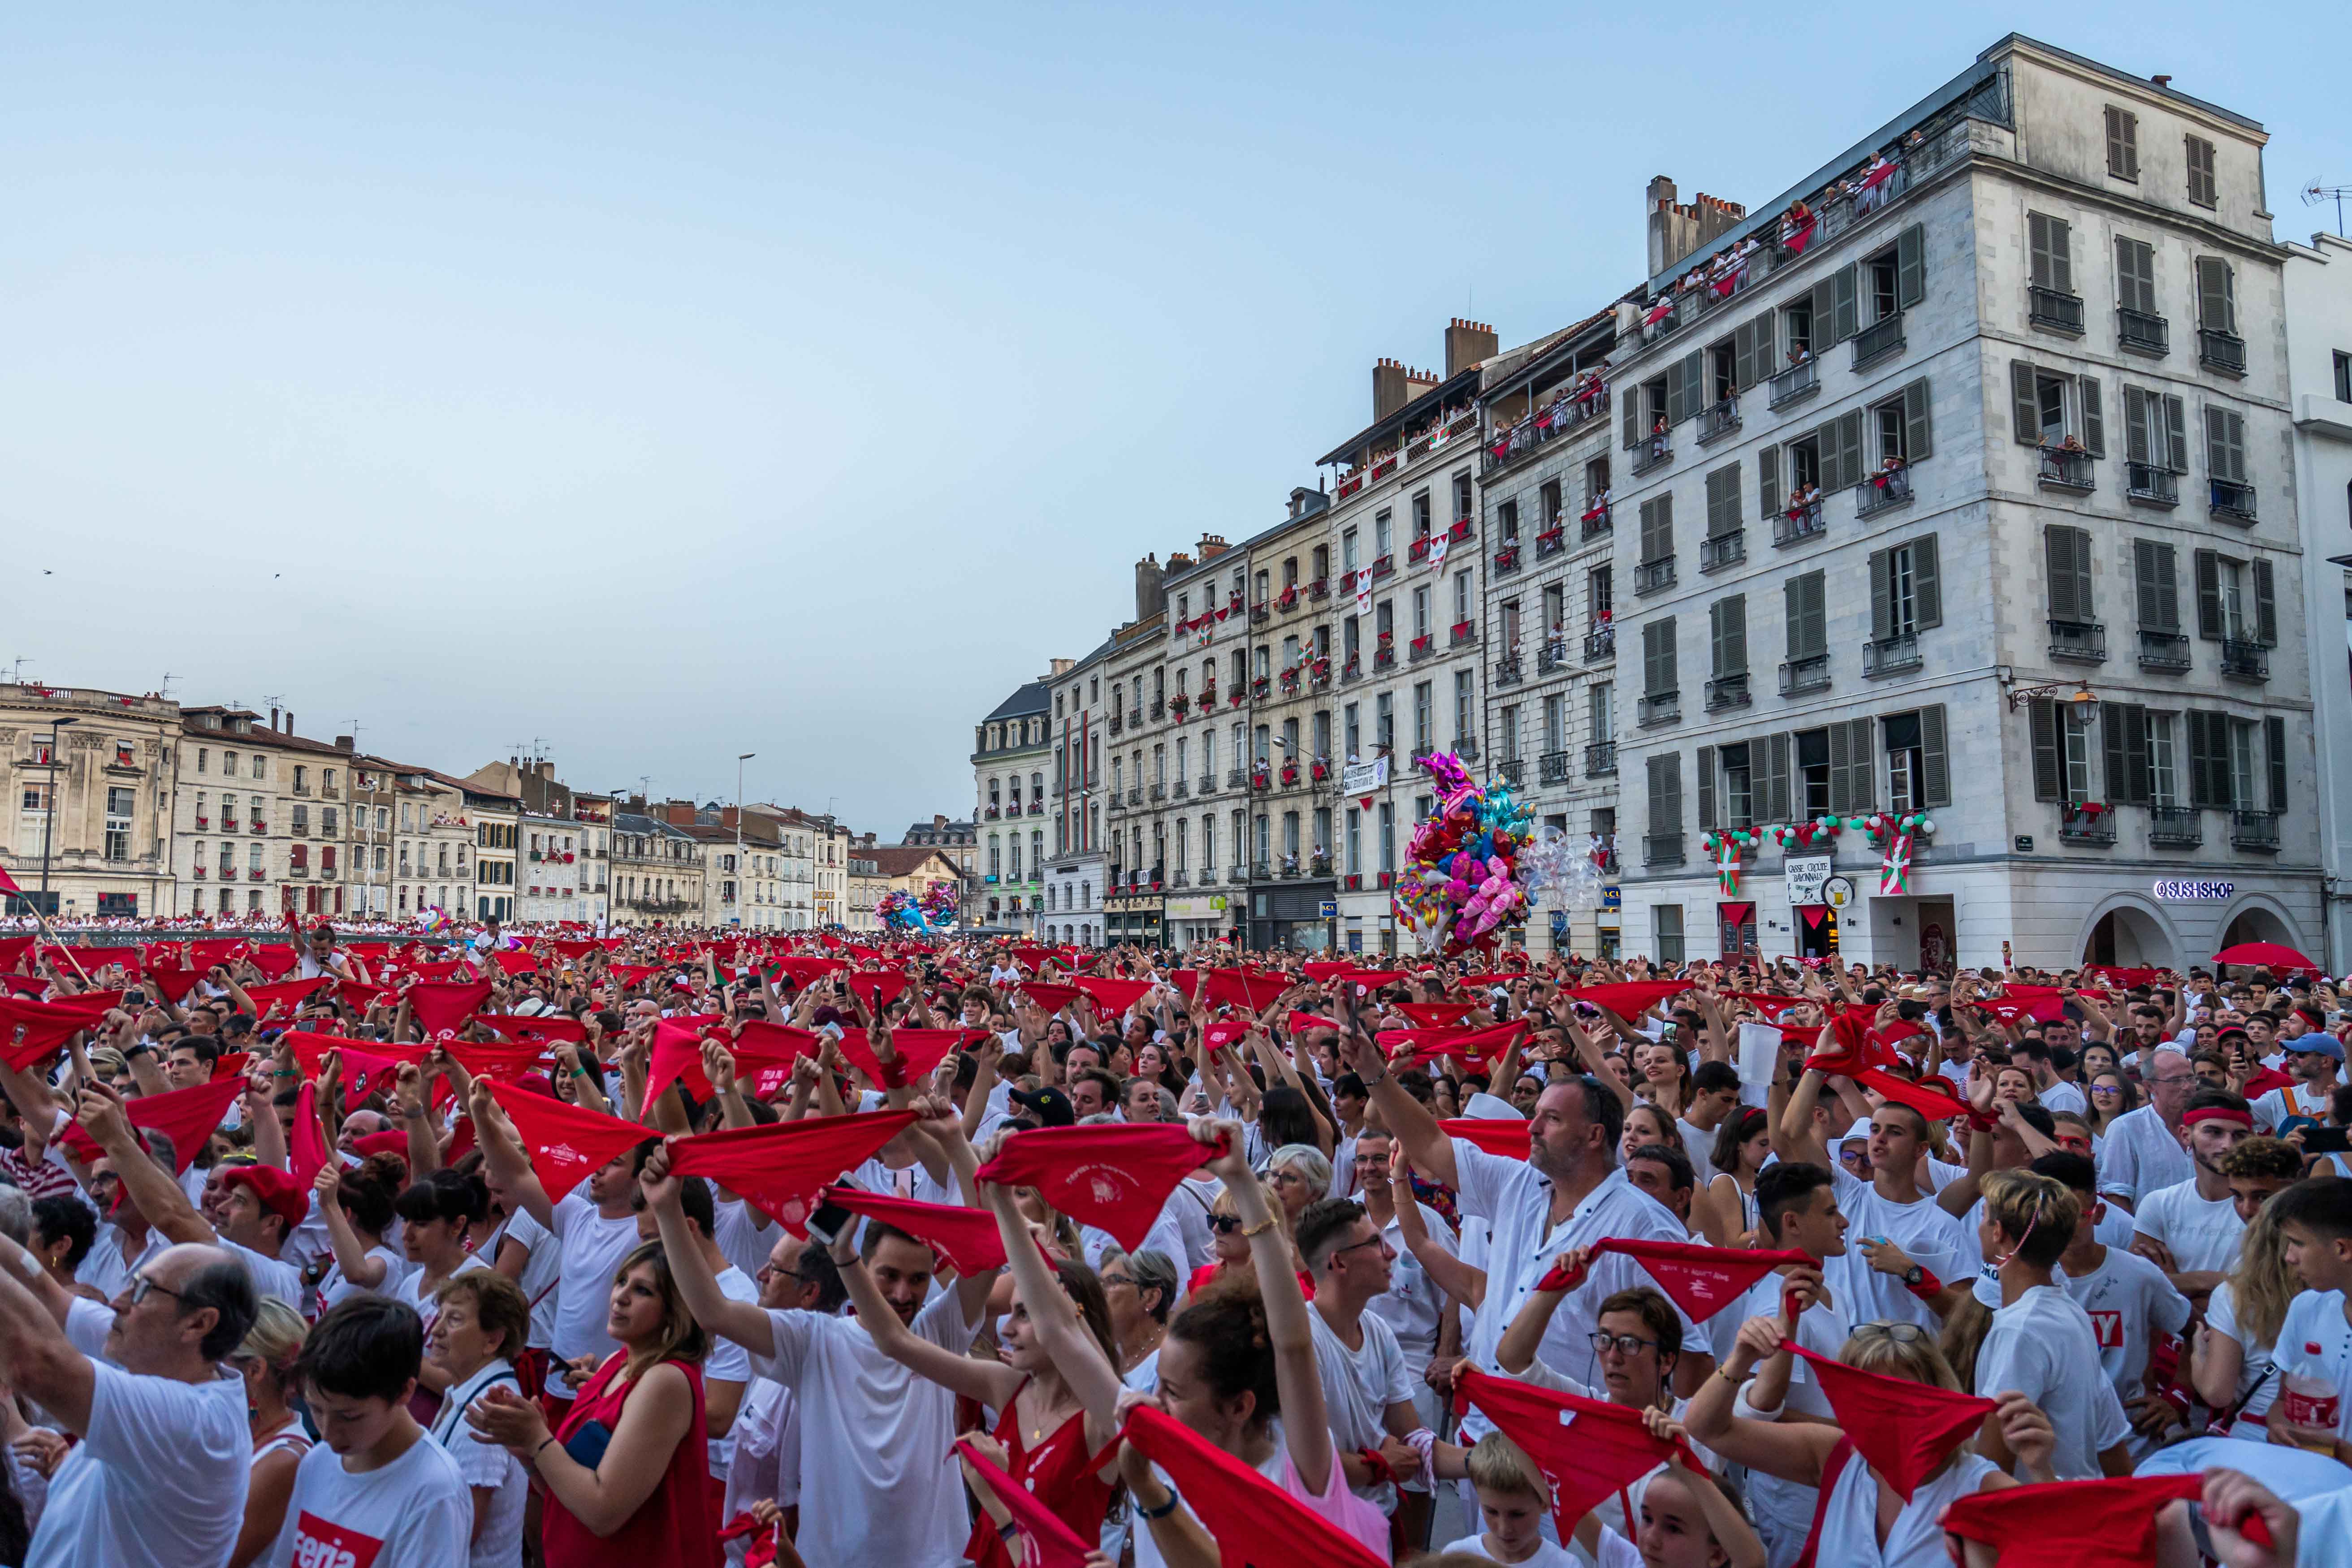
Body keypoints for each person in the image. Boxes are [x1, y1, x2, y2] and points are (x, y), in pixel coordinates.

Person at [993, 1115, 1388, 1567]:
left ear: (1240, 1407)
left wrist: (1240, 1180)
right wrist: (1004, 1203)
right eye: (1160, 1383)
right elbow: (1059, 1332)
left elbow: (1293, 1344)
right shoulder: (1156, 1442)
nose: (1150, 1400)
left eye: (1174, 1391)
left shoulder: (1299, 1468)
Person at [640, 1108, 991, 1568]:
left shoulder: (938, 1333)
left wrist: (953, 1141)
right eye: (889, 1275)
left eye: (919, 1279)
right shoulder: (813, 1340)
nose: (904, 1293)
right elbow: (713, 1311)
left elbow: (986, 1248)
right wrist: (667, 1210)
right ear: (862, 1267)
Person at [1685, 1314, 2054, 1568]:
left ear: (1937, 1395)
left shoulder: (1979, 1486)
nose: (1884, 1416)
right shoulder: (1836, 1455)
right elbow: (1707, 1428)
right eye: (1866, 1399)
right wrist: (1740, 1358)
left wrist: (2041, 1470)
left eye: (1902, 1398)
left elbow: (2064, 1554)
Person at [0, 1207, 258, 1568]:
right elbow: (45, 1290)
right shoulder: (158, 1353)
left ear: (198, 1323)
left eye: (143, 1290)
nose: (118, 1300)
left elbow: (35, 1365)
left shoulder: (198, 1424)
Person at [463, 1240, 718, 1567]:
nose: (621, 1296)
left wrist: (538, 1439)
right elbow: (567, 1493)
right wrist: (528, 1452)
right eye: (622, 1280)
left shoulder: (666, 1381)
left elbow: (602, 1510)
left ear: (675, 1310)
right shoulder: (616, 1361)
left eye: (643, 1291)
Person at [267, 1296, 471, 1567]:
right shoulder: (316, 1463)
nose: (328, 1434)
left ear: (403, 1392)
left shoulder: (434, 1492)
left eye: (349, 1417)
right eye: (316, 1410)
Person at [1967, 1169, 2133, 1479]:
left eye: (1984, 1216)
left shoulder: (2019, 1330)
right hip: (2079, 1510)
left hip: (2039, 1516)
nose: (1979, 1226)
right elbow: (2110, 1438)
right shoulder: (2071, 1312)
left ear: (1998, 1233)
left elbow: (1991, 1466)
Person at [423, 1271, 532, 1568]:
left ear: (493, 1340)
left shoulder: (489, 1408)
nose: (436, 1330)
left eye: (454, 1319)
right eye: (440, 1316)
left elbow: (463, 1530)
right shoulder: (471, 1391)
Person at [2265, 1175, 2352, 1460]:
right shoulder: (2306, 1307)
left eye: (2297, 1243)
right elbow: (2282, 1404)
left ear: (2342, 1249)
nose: (2289, 1257)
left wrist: (2340, 1454)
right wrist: (2280, 1428)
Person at [228, 1299, 311, 1568]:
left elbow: (212, 1560)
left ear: (254, 1371)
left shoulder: (286, 1460)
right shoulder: (241, 1435)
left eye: (217, 1361)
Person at [1438, 1432, 1577, 1566]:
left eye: (1517, 1515)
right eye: (1492, 1512)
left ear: (1545, 1502)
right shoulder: (1457, 1558)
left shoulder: (1565, 1565)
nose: (1504, 1529)